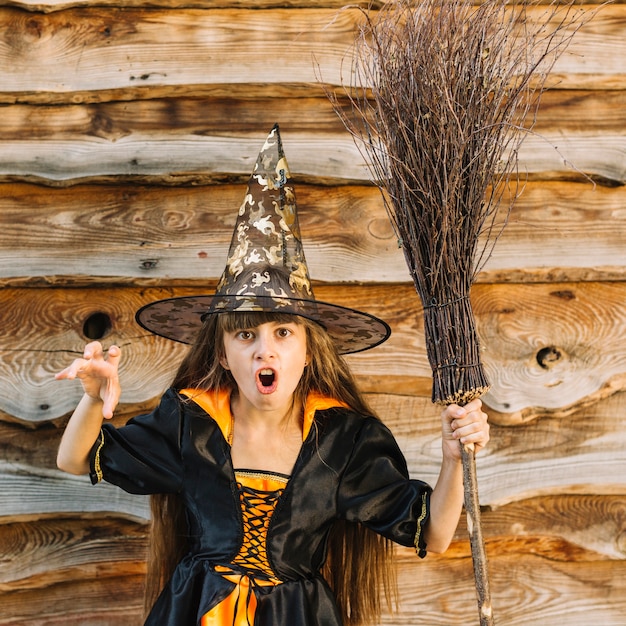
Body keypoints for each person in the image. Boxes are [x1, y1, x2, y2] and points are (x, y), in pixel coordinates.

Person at [56, 125, 489, 626]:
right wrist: (93, 398)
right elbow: (75, 459)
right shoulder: (190, 423)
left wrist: (455, 459)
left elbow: (433, 535)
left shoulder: (343, 441)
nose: (266, 350)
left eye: (284, 333)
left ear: (308, 351)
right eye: (246, 336)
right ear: (221, 354)